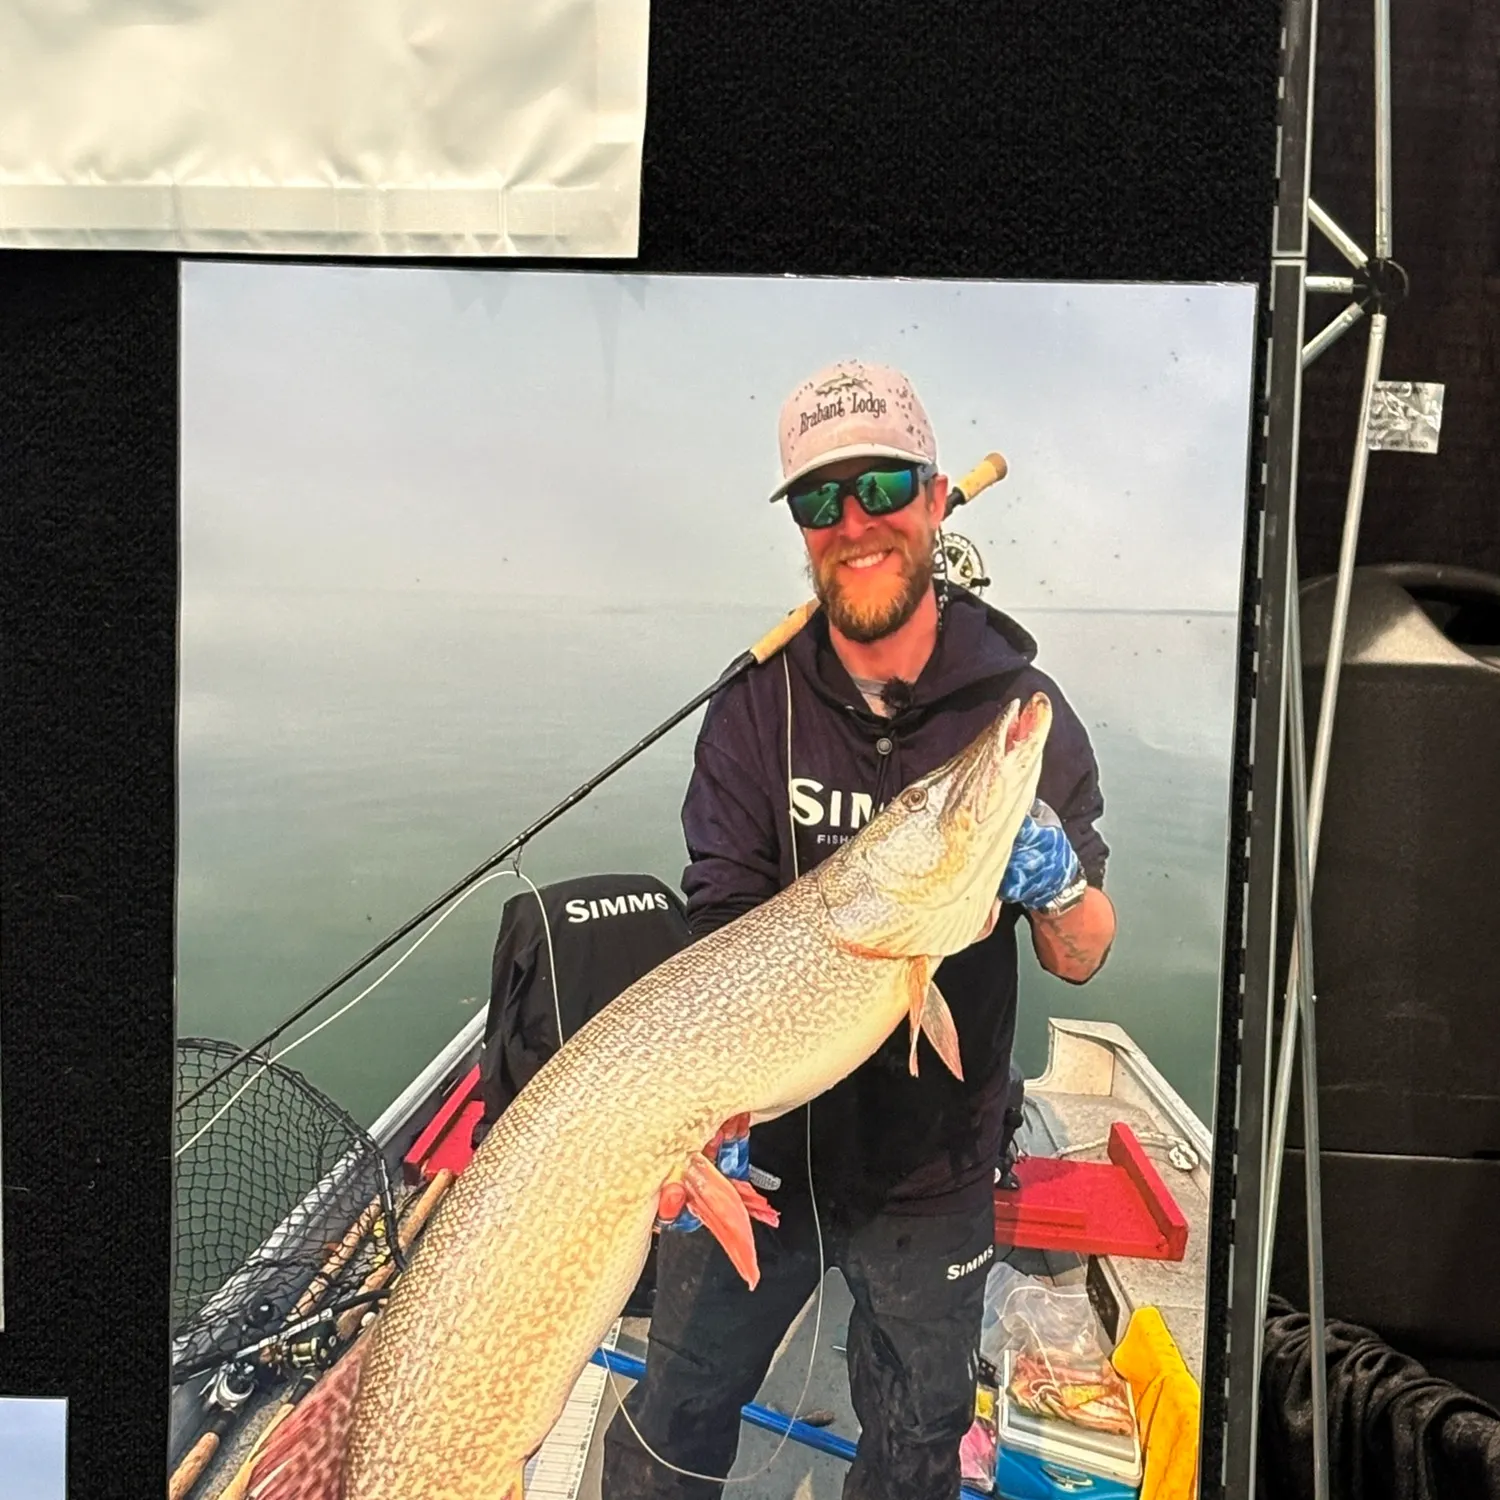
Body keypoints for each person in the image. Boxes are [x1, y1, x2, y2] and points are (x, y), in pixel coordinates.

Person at [600, 359, 1117, 1500]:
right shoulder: (753, 709)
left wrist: (1058, 883)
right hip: (767, 1154)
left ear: (935, 497)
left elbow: (1082, 952)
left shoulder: (1018, 708)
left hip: (934, 1166)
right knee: (662, 1429)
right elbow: (722, 932)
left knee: (914, 1447)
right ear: (800, 530)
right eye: (818, 501)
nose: (854, 522)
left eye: (881, 484)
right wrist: (703, 1119)